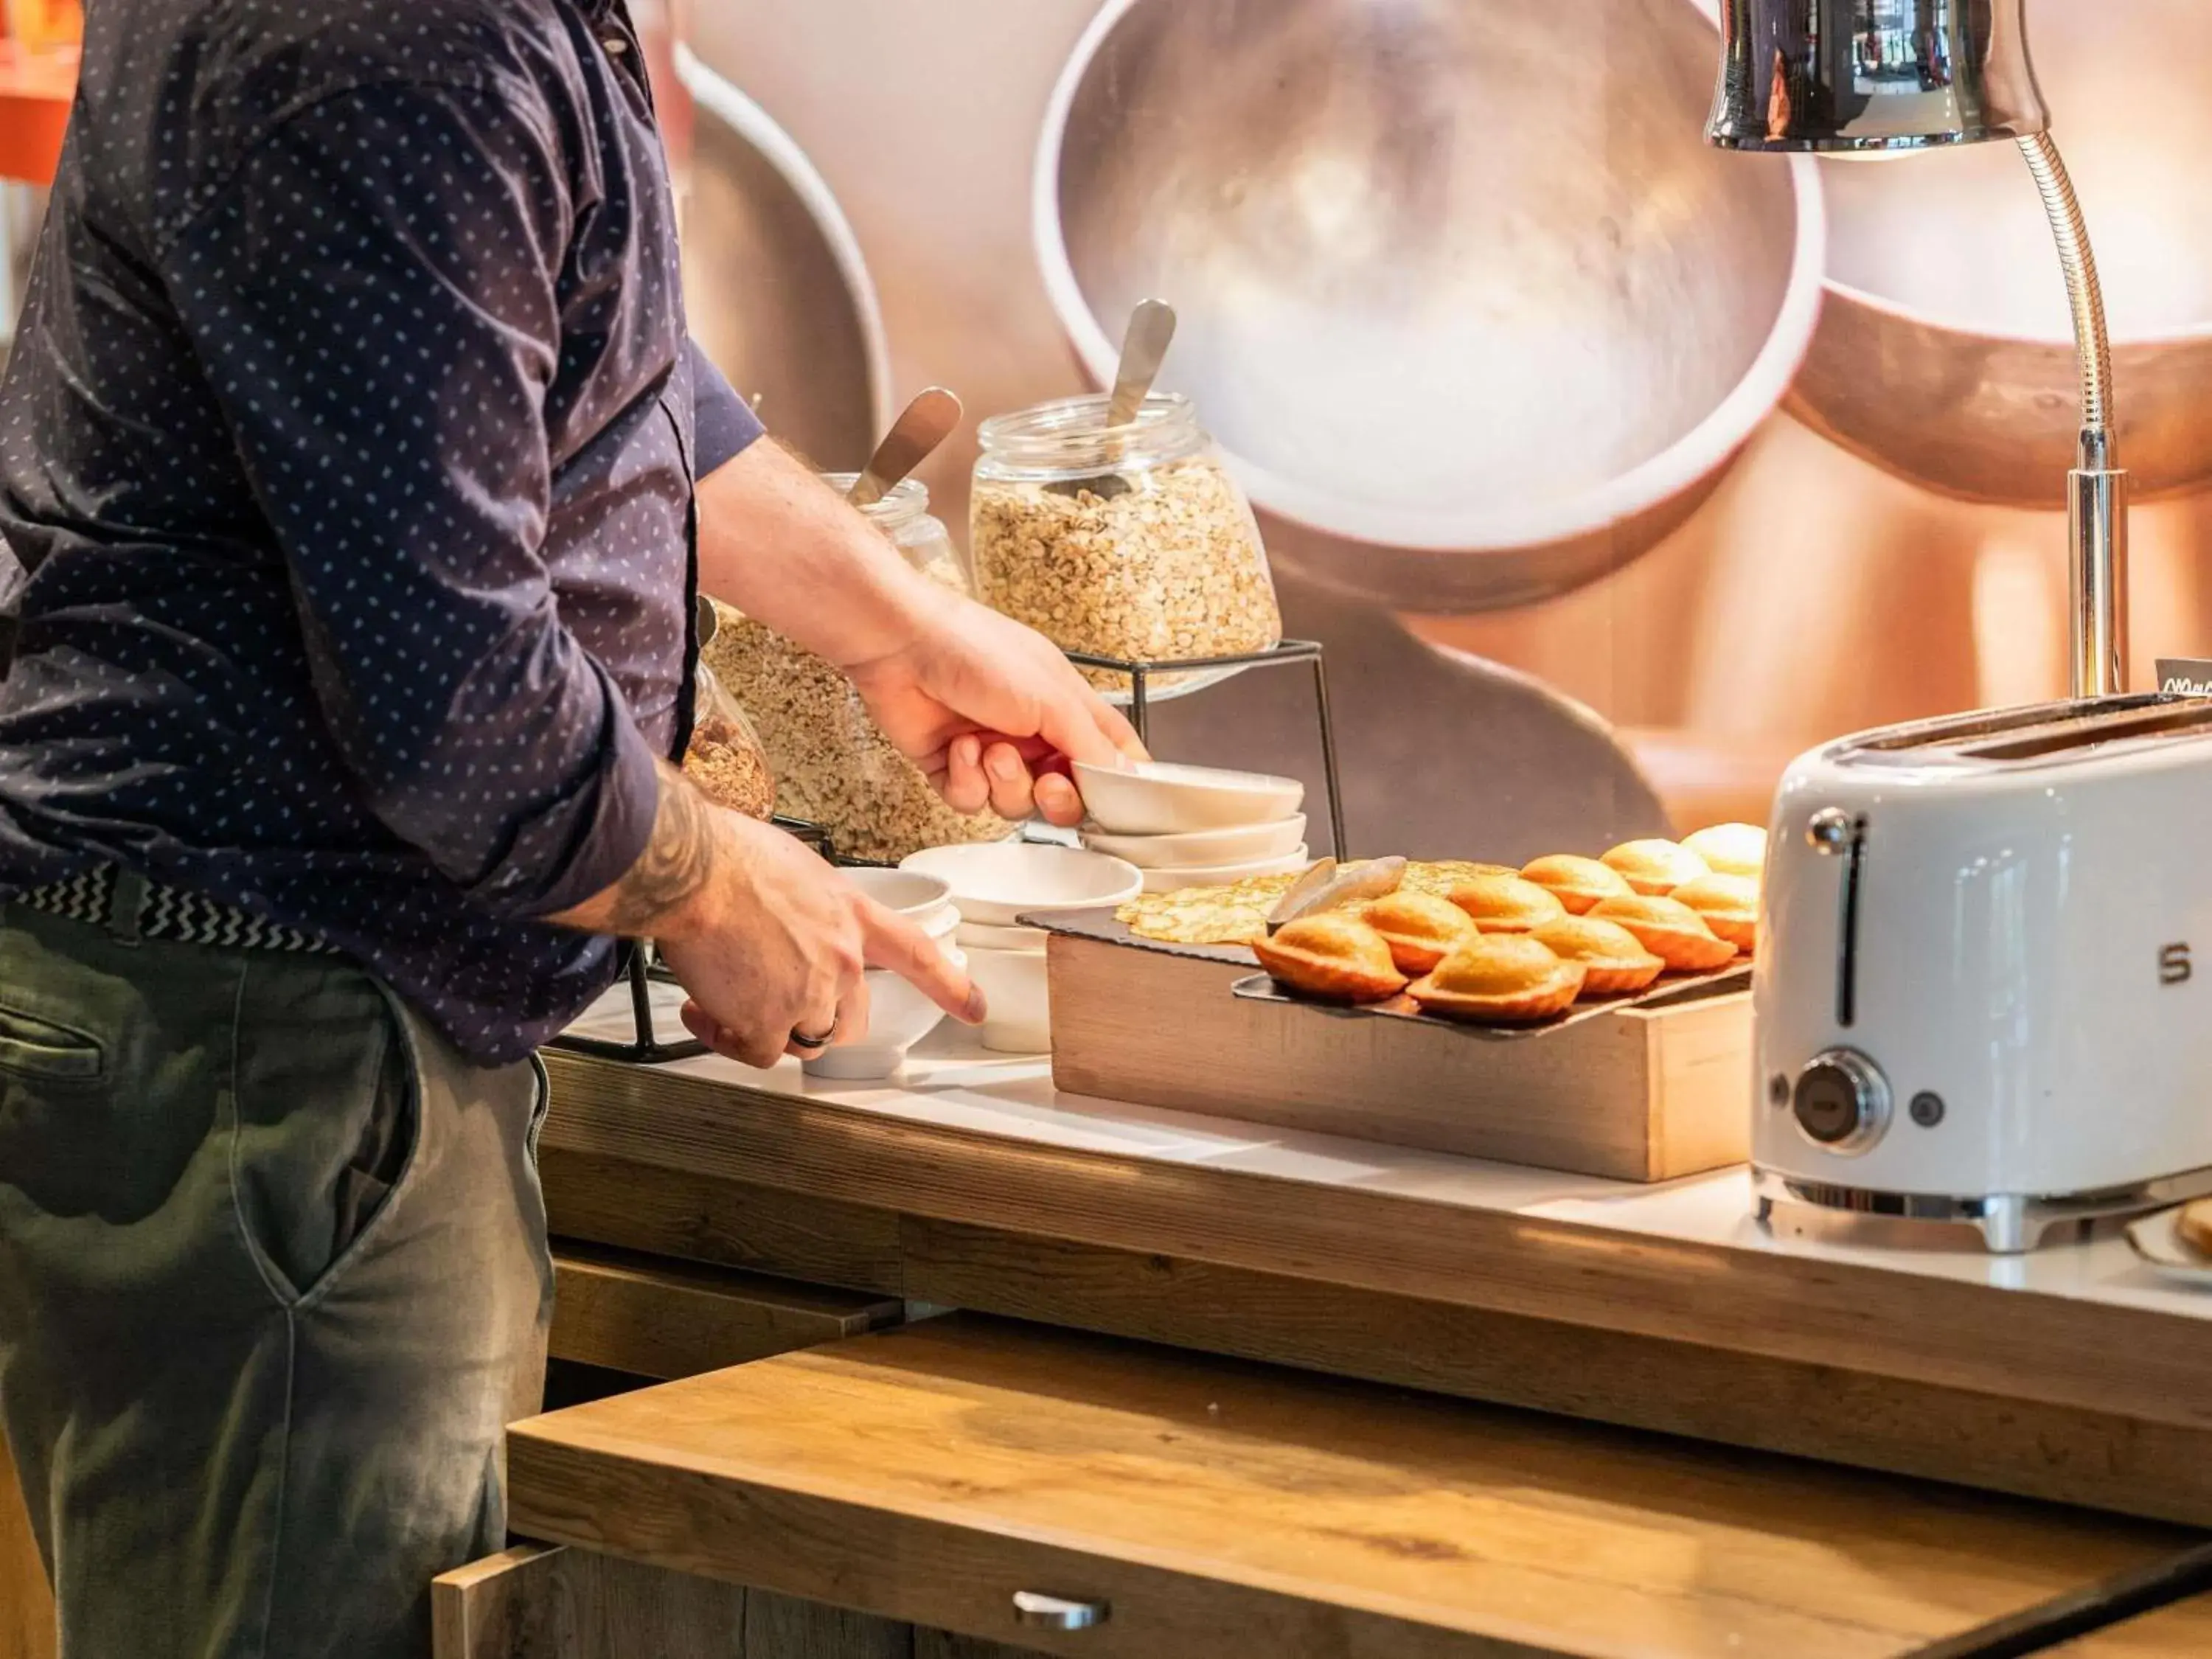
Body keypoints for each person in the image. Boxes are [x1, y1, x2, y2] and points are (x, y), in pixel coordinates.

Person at [0, 0, 1141, 1653]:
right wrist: (718, 887)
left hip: (293, 1024)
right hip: (277, 1043)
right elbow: (451, 697)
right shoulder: (400, 38)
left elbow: (596, 373)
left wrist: (899, 628)